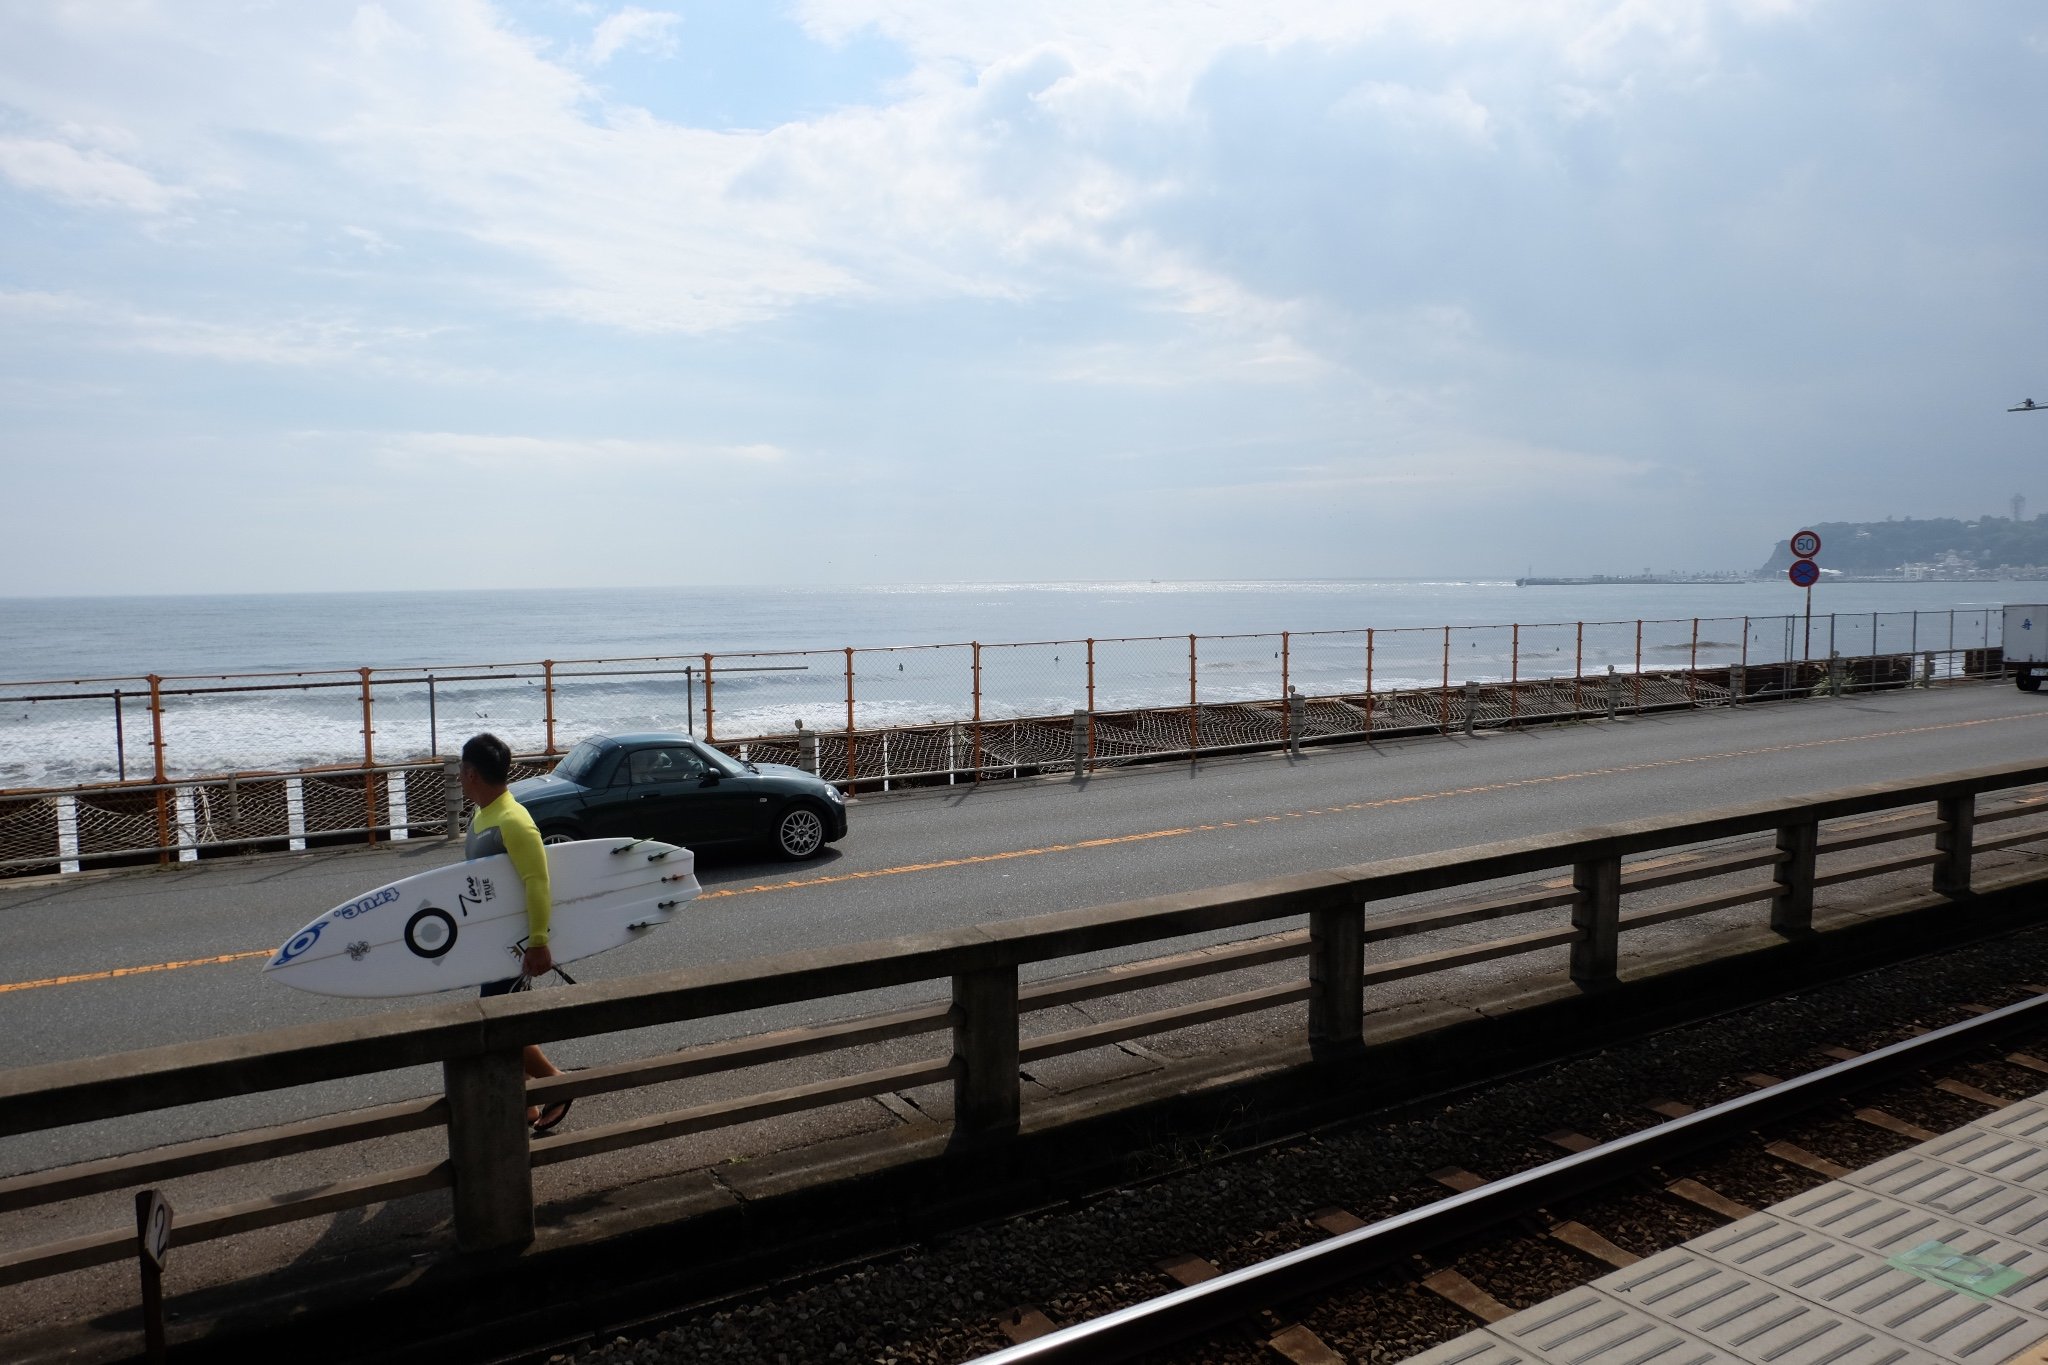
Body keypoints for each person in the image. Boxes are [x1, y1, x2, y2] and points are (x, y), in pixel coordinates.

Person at [459, 733, 571, 1135]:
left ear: (471, 773)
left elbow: (537, 881)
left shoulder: (513, 820)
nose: (459, 776)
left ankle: (556, 1083)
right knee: (508, 1021)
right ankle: (526, 1103)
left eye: (461, 770)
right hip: (492, 943)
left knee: (499, 1023)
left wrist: (538, 942)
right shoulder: (482, 815)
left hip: (516, 946)